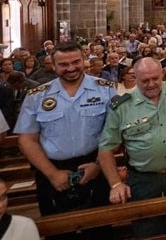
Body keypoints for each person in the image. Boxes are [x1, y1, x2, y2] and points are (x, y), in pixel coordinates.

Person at [98, 57, 166, 238]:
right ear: (135, 78)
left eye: (155, 79)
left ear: (161, 75)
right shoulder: (123, 106)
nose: (151, 84)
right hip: (143, 178)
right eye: (145, 80)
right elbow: (106, 147)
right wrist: (116, 183)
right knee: (146, 226)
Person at [14, 41, 114, 234]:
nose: (70, 68)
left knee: (100, 231)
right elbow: (27, 140)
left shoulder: (105, 89)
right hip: (51, 170)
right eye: (63, 64)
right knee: (58, 232)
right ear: (53, 64)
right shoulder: (37, 96)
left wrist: (98, 165)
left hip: (95, 164)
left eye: (76, 62)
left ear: (84, 60)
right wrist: (52, 174)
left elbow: (113, 133)